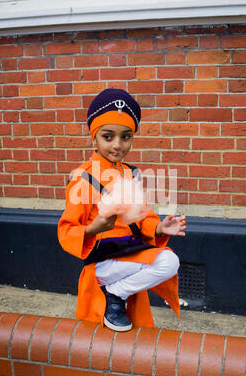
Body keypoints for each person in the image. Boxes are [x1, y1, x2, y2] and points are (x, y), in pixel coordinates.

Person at [58, 88, 186, 332]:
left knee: (169, 261)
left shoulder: (131, 173)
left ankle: (116, 293)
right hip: (102, 263)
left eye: (125, 137)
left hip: (129, 254)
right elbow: (66, 230)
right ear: (93, 138)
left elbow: (143, 218)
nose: (117, 145)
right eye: (108, 137)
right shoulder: (82, 178)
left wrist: (159, 226)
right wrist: (93, 228)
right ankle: (113, 292)